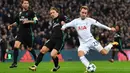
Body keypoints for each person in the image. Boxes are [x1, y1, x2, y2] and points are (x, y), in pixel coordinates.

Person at [61, 6, 118, 72]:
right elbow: (66, 25)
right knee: (80, 54)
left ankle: (110, 44)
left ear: (87, 14)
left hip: (91, 41)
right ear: (80, 12)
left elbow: (99, 25)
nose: (84, 14)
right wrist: (63, 27)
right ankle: (88, 66)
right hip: (83, 43)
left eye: (85, 13)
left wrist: (110, 28)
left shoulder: (89, 20)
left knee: (104, 53)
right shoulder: (75, 21)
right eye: (82, 12)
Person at [29, 7, 67, 72]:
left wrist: (65, 23)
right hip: (52, 39)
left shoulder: (61, 17)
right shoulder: (53, 21)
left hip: (59, 40)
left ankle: (56, 66)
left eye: (53, 12)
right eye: (51, 13)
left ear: (57, 12)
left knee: (53, 55)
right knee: (42, 50)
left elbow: (67, 20)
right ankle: (35, 66)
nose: (52, 14)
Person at [8, 0, 38, 68]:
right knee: (16, 46)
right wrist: (11, 25)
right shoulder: (20, 13)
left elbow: (36, 21)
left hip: (28, 34)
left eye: (27, 3)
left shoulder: (31, 12)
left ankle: (36, 58)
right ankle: (15, 63)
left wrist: (28, 21)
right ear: (22, 4)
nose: (26, 4)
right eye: (25, 3)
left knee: (30, 48)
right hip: (20, 33)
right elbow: (17, 22)